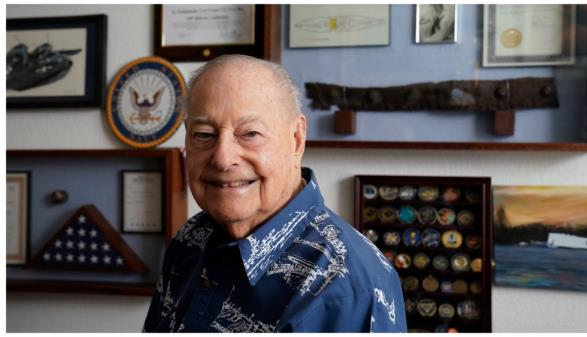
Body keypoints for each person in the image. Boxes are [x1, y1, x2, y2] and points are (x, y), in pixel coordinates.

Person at [142, 54, 407, 332]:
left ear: (296, 139)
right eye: (204, 134)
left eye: (250, 134)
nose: (222, 158)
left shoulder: (349, 291)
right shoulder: (190, 239)